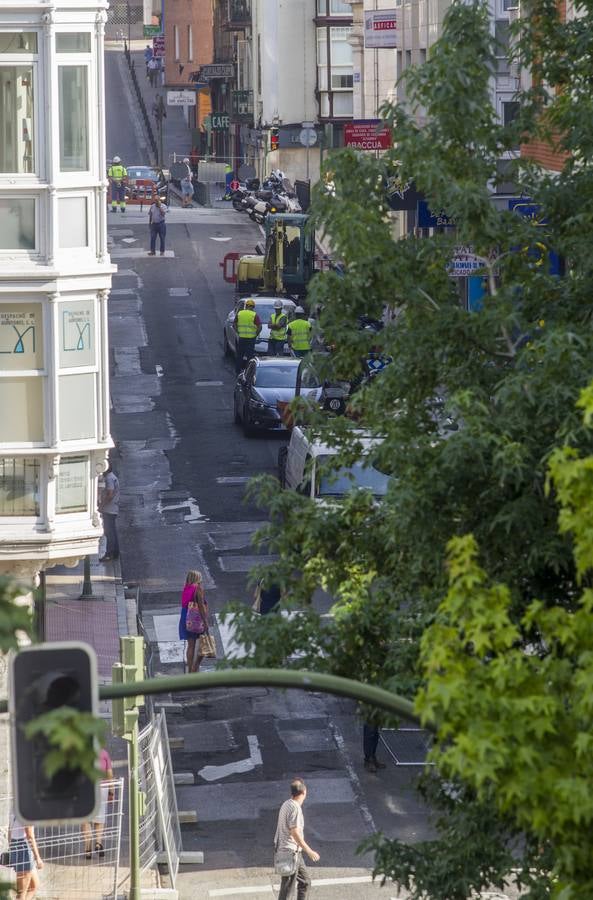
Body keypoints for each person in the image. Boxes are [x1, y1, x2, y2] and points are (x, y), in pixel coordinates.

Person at [274, 779, 319, 900]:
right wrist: (309, 850)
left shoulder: (287, 804)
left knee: (304, 882)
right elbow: (294, 832)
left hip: (289, 851)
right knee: (288, 889)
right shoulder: (295, 809)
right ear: (304, 792)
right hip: (290, 853)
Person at [81, 746, 114, 859]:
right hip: (102, 787)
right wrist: (111, 790)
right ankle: (98, 843)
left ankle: (87, 849)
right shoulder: (104, 753)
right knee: (99, 819)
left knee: (86, 819)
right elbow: (109, 773)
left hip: (86, 787)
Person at [178, 570, 209, 672]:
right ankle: (195, 667)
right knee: (202, 644)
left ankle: (190, 669)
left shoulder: (186, 588)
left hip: (185, 617)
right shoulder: (198, 589)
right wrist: (205, 621)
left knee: (190, 645)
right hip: (195, 618)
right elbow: (200, 606)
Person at [8, 811, 43, 899]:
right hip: (24, 849)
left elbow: (10, 831)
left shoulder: (15, 809)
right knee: (21, 893)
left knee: (34, 886)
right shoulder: (27, 811)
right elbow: (29, 835)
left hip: (16, 844)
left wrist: (12, 848)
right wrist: (38, 857)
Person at [98, 463, 120, 562]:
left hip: (109, 509)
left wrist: (102, 504)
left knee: (109, 532)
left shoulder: (109, 479)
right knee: (112, 531)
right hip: (113, 508)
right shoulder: (113, 477)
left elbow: (110, 494)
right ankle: (115, 551)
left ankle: (110, 553)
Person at [234, 298, 262, 373]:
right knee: (250, 357)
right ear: (253, 307)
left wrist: (238, 332)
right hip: (251, 339)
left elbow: (234, 324)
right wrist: (256, 334)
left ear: (246, 306)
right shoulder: (254, 315)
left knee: (240, 355)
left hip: (242, 338)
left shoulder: (240, 313)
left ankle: (237, 371)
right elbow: (259, 326)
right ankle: (248, 372)